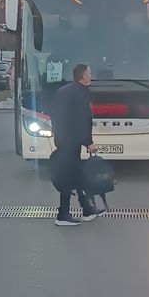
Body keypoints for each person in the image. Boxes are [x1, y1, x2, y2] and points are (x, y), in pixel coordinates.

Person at [50, 64, 100, 226]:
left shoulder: (63, 91)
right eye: (89, 73)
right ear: (83, 75)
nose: (91, 76)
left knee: (76, 174)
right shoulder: (80, 93)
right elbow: (81, 120)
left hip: (64, 139)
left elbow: (56, 117)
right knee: (68, 177)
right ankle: (62, 215)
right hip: (72, 141)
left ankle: (86, 208)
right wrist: (89, 142)